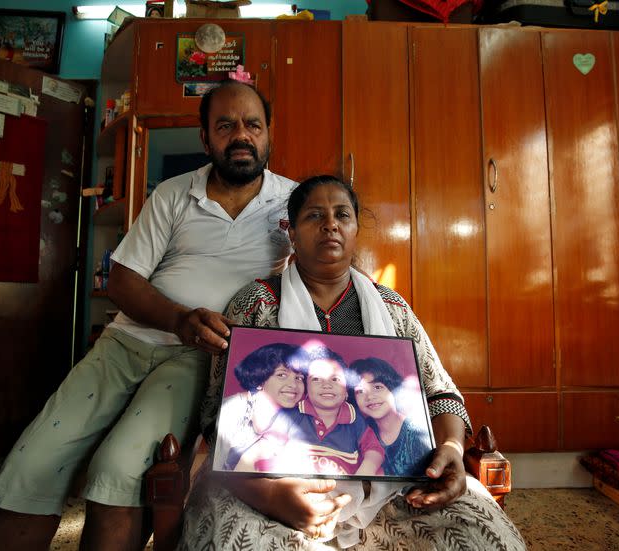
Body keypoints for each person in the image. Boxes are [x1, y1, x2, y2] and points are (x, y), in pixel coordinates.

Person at [0, 79, 297, 551]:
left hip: (199, 358)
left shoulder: (293, 203)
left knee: (119, 466)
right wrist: (177, 318)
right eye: (225, 125)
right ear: (205, 139)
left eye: (253, 124)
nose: (241, 135)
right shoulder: (173, 194)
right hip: (125, 343)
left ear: (269, 133)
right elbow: (123, 281)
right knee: (33, 460)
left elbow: (332, 270)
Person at [179, 175, 526, 550]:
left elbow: (440, 393)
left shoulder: (392, 308)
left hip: (395, 487)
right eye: (314, 216)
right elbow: (220, 417)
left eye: (342, 215)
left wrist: (453, 452)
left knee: (484, 536)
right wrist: (271, 496)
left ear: (356, 229)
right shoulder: (255, 305)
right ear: (291, 232)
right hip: (268, 485)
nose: (330, 224)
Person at [248, 344, 384, 476]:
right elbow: (266, 446)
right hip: (297, 486)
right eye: (317, 379)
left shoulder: (355, 421)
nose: (326, 385)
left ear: (347, 391)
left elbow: (374, 450)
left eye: (335, 379)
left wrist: (367, 469)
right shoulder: (292, 415)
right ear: (306, 388)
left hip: (343, 487)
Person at [215, 342, 309, 471]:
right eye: (282, 375)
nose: (293, 384)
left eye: (299, 378)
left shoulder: (295, 417)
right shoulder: (232, 409)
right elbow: (214, 466)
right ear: (260, 380)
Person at [351, 357, 432, 476]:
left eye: (377, 387)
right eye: (360, 391)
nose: (369, 397)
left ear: (393, 388)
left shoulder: (416, 431)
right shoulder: (362, 429)